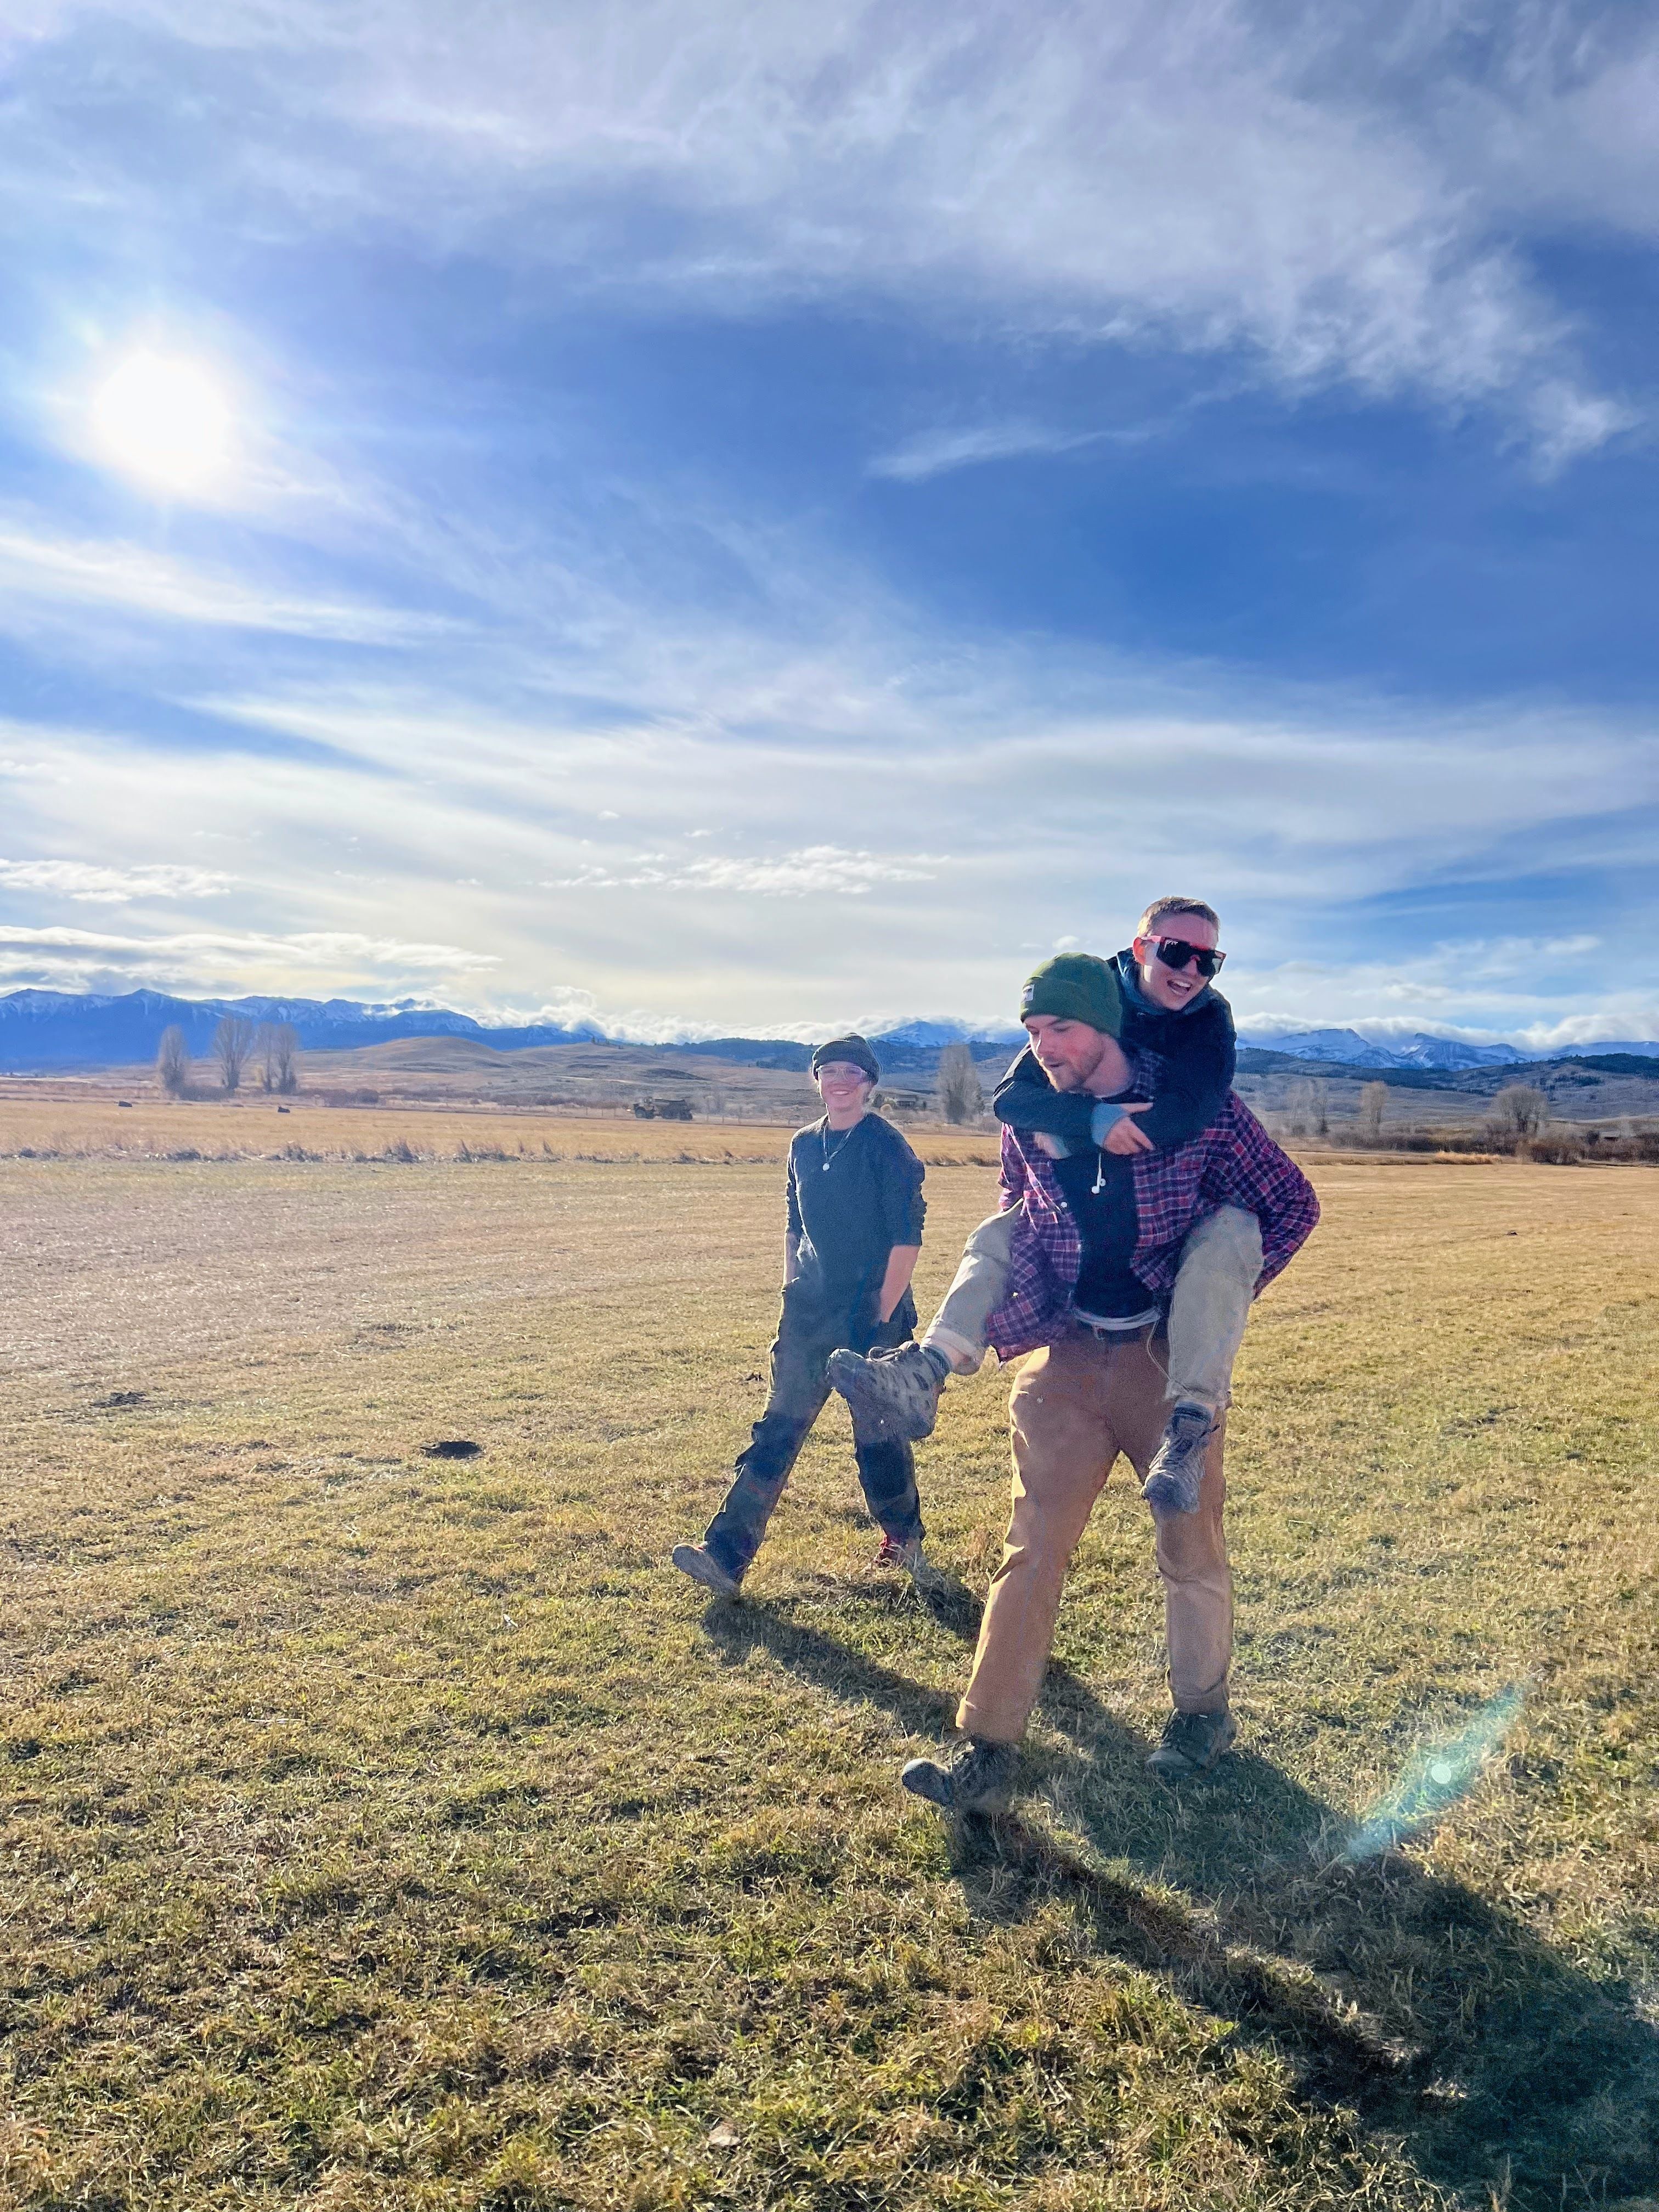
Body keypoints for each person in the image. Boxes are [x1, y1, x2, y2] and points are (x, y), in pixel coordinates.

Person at [896, 960, 1319, 1808]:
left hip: (1163, 1365)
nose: (1045, 1048)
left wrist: (1215, 1301)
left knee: (1187, 1543)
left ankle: (1201, 1718)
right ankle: (986, 1753)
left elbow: (1291, 1206)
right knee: (1031, 1548)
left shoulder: (1196, 1113)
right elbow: (1018, 1201)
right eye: (1033, 1033)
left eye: (1062, 1030)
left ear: (1107, 1027)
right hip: (1065, 1361)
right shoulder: (1035, 1115)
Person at [830, 900, 1253, 1516]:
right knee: (1002, 1229)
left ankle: (1190, 1426)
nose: (1190, 970)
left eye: (1207, 960)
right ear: (1139, 951)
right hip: (1075, 1265)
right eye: (1174, 951)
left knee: (1230, 1238)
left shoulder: (1209, 1019)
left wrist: (1209, 1283)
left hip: (1160, 1258)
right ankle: (926, 1370)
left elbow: (1195, 1111)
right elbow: (1011, 1099)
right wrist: (1091, 1122)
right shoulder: (1083, 996)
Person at [672, 1035, 935, 1598]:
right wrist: (793, 1281)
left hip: (874, 1313)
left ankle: (903, 1538)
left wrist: (881, 1318)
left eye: (851, 1072)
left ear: (869, 1083)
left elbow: (906, 1238)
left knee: (877, 1435)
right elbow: (794, 1219)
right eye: (828, 1071)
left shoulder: (887, 1147)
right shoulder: (801, 1145)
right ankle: (724, 1557)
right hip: (810, 1312)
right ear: (816, 1080)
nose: (839, 1080)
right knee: (779, 1429)